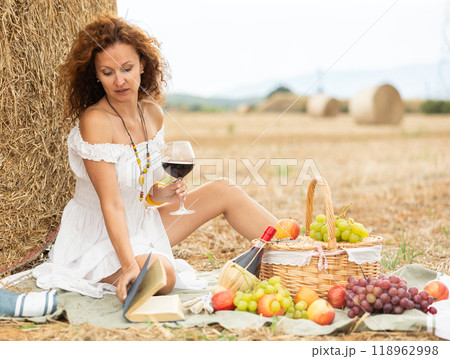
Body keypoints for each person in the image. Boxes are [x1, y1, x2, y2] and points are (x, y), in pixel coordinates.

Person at [32, 14, 277, 303]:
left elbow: (140, 189)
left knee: (225, 190)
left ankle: (301, 255)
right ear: (96, 76)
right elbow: (111, 203)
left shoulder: (152, 114)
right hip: (99, 237)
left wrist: (164, 193)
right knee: (164, 273)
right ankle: (126, 268)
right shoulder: (96, 121)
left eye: (127, 68)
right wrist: (128, 265)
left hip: (143, 224)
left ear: (143, 65)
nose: (120, 80)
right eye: (108, 72)